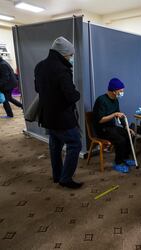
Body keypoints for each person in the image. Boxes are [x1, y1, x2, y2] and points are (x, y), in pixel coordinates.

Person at [34, 36, 83, 189]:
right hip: (63, 118)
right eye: (70, 55)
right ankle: (66, 178)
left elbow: (37, 89)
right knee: (75, 144)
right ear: (63, 54)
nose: (71, 58)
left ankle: (57, 175)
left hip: (47, 116)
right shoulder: (63, 70)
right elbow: (71, 96)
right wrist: (77, 94)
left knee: (55, 145)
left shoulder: (40, 66)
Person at [92, 78, 135, 173]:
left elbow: (119, 115)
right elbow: (100, 120)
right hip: (102, 129)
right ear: (114, 90)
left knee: (129, 134)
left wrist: (126, 127)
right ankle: (118, 163)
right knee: (121, 140)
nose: (122, 92)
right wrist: (114, 114)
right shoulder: (101, 100)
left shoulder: (115, 100)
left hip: (111, 128)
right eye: (121, 90)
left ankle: (125, 157)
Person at [0, 52, 23, 118]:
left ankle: (10, 115)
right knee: (9, 98)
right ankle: (23, 107)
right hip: (8, 83)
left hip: (8, 84)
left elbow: (5, 77)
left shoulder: (2, 64)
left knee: (5, 100)